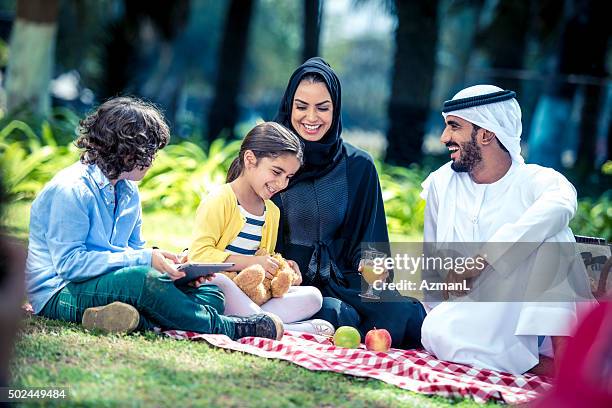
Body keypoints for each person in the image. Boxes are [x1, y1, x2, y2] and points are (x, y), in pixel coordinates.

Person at [25, 97, 283, 341]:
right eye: (149, 150)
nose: (154, 159)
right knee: (143, 282)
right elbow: (70, 265)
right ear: (125, 148)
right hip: (61, 292)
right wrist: (145, 261)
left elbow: (134, 250)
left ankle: (130, 320)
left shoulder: (127, 190)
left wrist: (175, 269)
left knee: (210, 291)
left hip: (112, 282)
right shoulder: (71, 190)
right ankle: (230, 327)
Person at [420, 84, 593, 374]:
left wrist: (484, 259)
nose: (444, 138)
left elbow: (562, 206)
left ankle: (566, 365)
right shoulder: (442, 183)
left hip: (533, 304)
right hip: (469, 312)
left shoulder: (537, 180)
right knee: (437, 329)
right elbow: (433, 264)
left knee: (553, 235)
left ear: (486, 133)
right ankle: (538, 367)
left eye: (454, 127)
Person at [272, 57, 426, 349]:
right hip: (286, 283)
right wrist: (278, 266)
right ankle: (316, 320)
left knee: (407, 315)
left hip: (342, 282)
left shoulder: (358, 166)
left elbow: (371, 245)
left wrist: (373, 270)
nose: (311, 117)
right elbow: (250, 227)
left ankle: (319, 324)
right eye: (301, 106)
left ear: (336, 109)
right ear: (289, 106)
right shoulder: (270, 160)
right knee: (338, 314)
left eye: (322, 107)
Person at [188, 121, 333, 335]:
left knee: (313, 296)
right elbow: (198, 256)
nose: (282, 184)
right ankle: (286, 329)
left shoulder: (272, 212)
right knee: (217, 280)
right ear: (250, 159)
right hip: (218, 290)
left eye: (288, 177)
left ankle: (258, 324)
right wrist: (254, 263)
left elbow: (262, 255)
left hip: (252, 295)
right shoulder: (220, 199)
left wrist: (281, 267)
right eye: (276, 172)